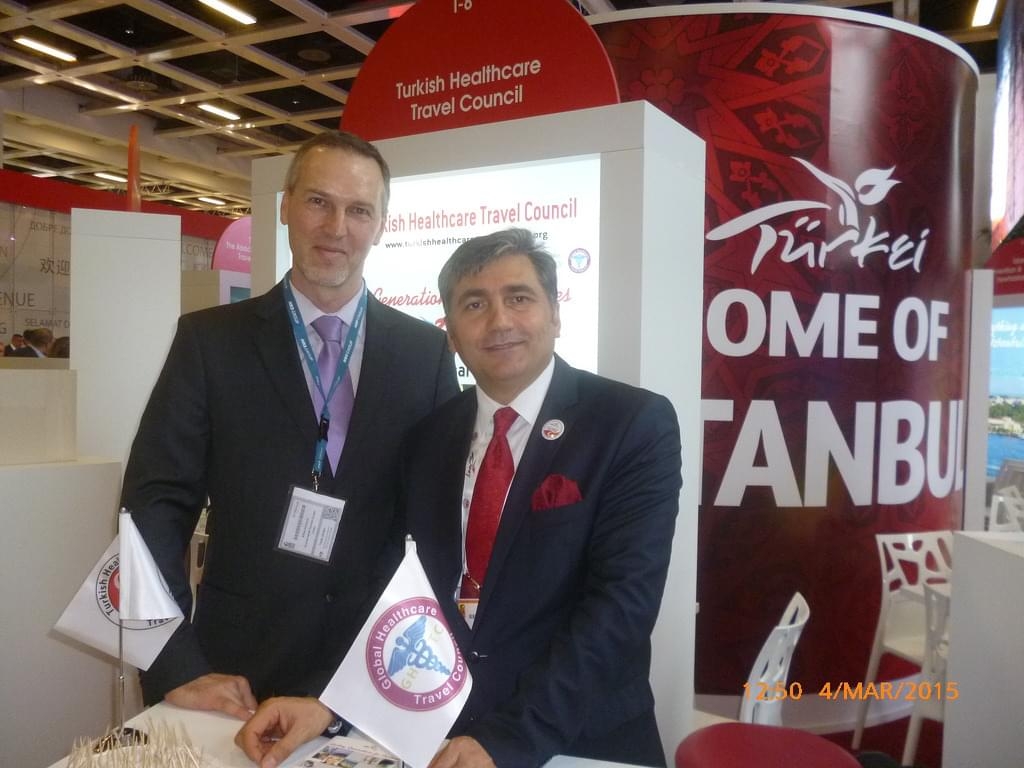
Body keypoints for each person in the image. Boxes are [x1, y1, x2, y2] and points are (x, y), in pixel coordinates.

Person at [237, 228, 681, 768]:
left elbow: (620, 608)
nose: (499, 321)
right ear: (449, 333)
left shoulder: (631, 424)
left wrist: (509, 740)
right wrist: (327, 702)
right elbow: (394, 589)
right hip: (440, 738)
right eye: (474, 304)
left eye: (519, 297)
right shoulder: (429, 439)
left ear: (555, 314)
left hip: (577, 742)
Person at [121, 130, 459, 719]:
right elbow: (154, 507)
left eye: (359, 210)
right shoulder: (210, 342)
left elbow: (436, 524)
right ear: (285, 207)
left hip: (376, 670)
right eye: (318, 201)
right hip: (235, 672)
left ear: (381, 225)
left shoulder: (424, 353)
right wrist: (174, 664)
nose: (336, 227)